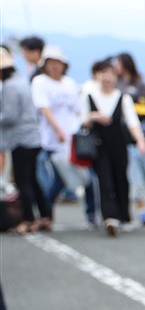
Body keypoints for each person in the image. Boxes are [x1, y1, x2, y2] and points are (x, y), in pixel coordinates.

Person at [82, 59, 145, 236]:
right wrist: (93, 117)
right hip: (99, 145)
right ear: (97, 75)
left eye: (111, 73)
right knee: (105, 180)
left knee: (122, 179)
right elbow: (82, 124)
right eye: (103, 73)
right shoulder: (89, 96)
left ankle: (124, 216)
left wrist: (140, 141)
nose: (107, 77)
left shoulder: (122, 97)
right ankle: (109, 217)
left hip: (119, 144)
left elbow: (132, 121)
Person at [29, 45, 81, 231]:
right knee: (49, 179)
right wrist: (58, 130)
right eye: (50, 63)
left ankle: (46, 212)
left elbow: (77, 109)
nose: (54, 66)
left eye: (57, 62)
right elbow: (44, 108)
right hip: (49, 140)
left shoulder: (69, 83)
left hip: (71, 138)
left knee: (64, 178)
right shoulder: (40, 81)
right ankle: (45, 212)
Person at [0, 47, 51, 235]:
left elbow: (10, 116)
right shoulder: (20, 81)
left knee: (24, 181)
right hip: (32, 137)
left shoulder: (10, 86)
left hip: (21, 139)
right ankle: (45, 216)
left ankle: (28, 219)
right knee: (33, 180)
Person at [113, 52, 145, 225]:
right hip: (126, 143)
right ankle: (142, 211)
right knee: (135, 179)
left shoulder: (141, 86)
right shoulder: (115, 86)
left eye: (118, 63)